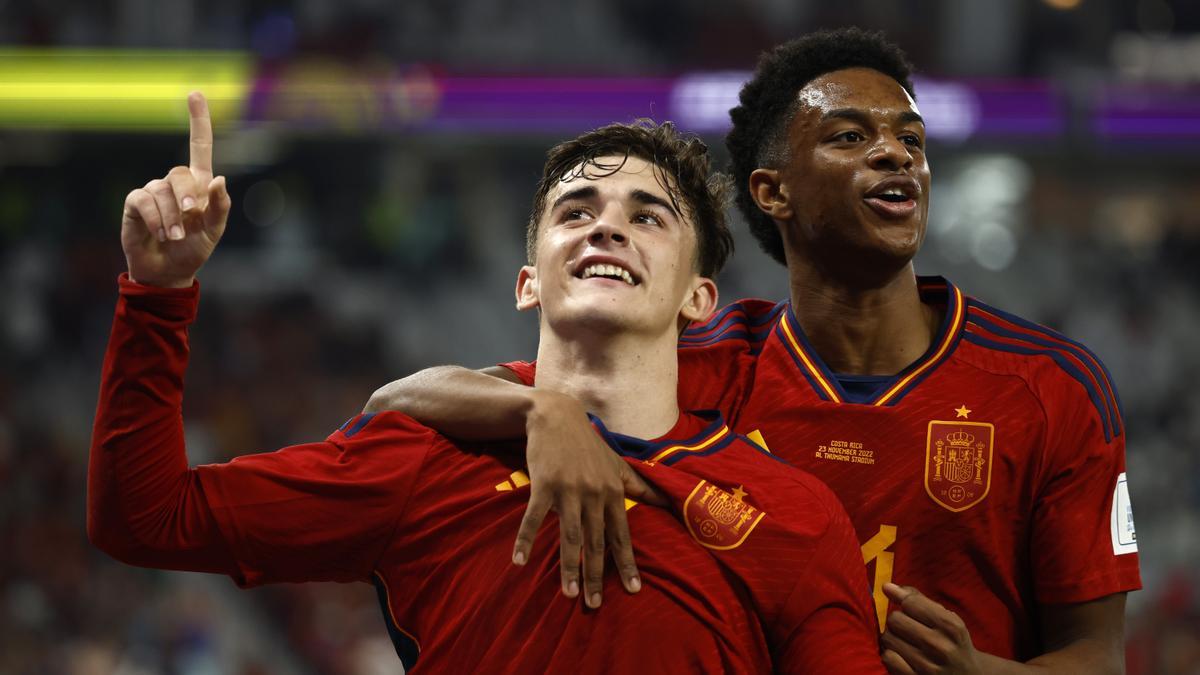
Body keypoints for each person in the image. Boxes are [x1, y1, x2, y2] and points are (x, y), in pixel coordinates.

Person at [366, 27, 1140, 673]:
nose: (896, 155)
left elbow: (1099, 656)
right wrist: (543, 407)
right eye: (850, 136)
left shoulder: (1053, 386)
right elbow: (398, 404)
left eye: (911, 139)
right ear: (773, 192)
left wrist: (979, 673)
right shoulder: (701, 362)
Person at [89, 92, 886, 673]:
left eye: (649, 216)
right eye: (576, 210)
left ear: (698, 297)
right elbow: (148, 517)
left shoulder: (791, 513)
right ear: (528, 282)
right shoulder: (422, 455)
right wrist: (158, 296)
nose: (606, 223)